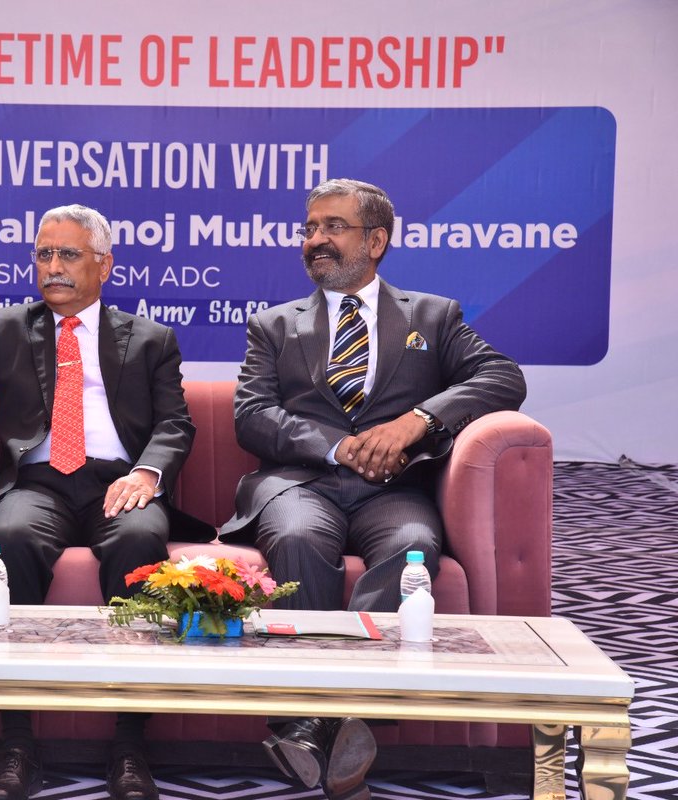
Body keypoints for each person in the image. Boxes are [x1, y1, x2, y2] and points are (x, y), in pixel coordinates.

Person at [219, 178, 527, 800]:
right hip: (301, 482)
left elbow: (503, 376)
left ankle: (315, 722)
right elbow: (251, 415)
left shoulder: (432, 317)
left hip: (394, 488)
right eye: (309, 229)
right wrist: (336, 447)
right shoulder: (275, 324)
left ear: (377, 240)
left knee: (412, 544)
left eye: (332, 227)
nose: (315, 241)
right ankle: (330, 713)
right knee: (301, 537)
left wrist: (418, 421)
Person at [0, 204, 196, 800]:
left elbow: (176, 424)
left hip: (119, 480)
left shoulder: (150, 339)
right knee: (8, 542)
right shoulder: (9, 326)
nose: (52, 267)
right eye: (43, 255)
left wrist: (145, 473)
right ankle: (17, 745)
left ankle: (130, 746)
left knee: (140, 542)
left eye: (68, 255)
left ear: (104, 265)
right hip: (39, 483)